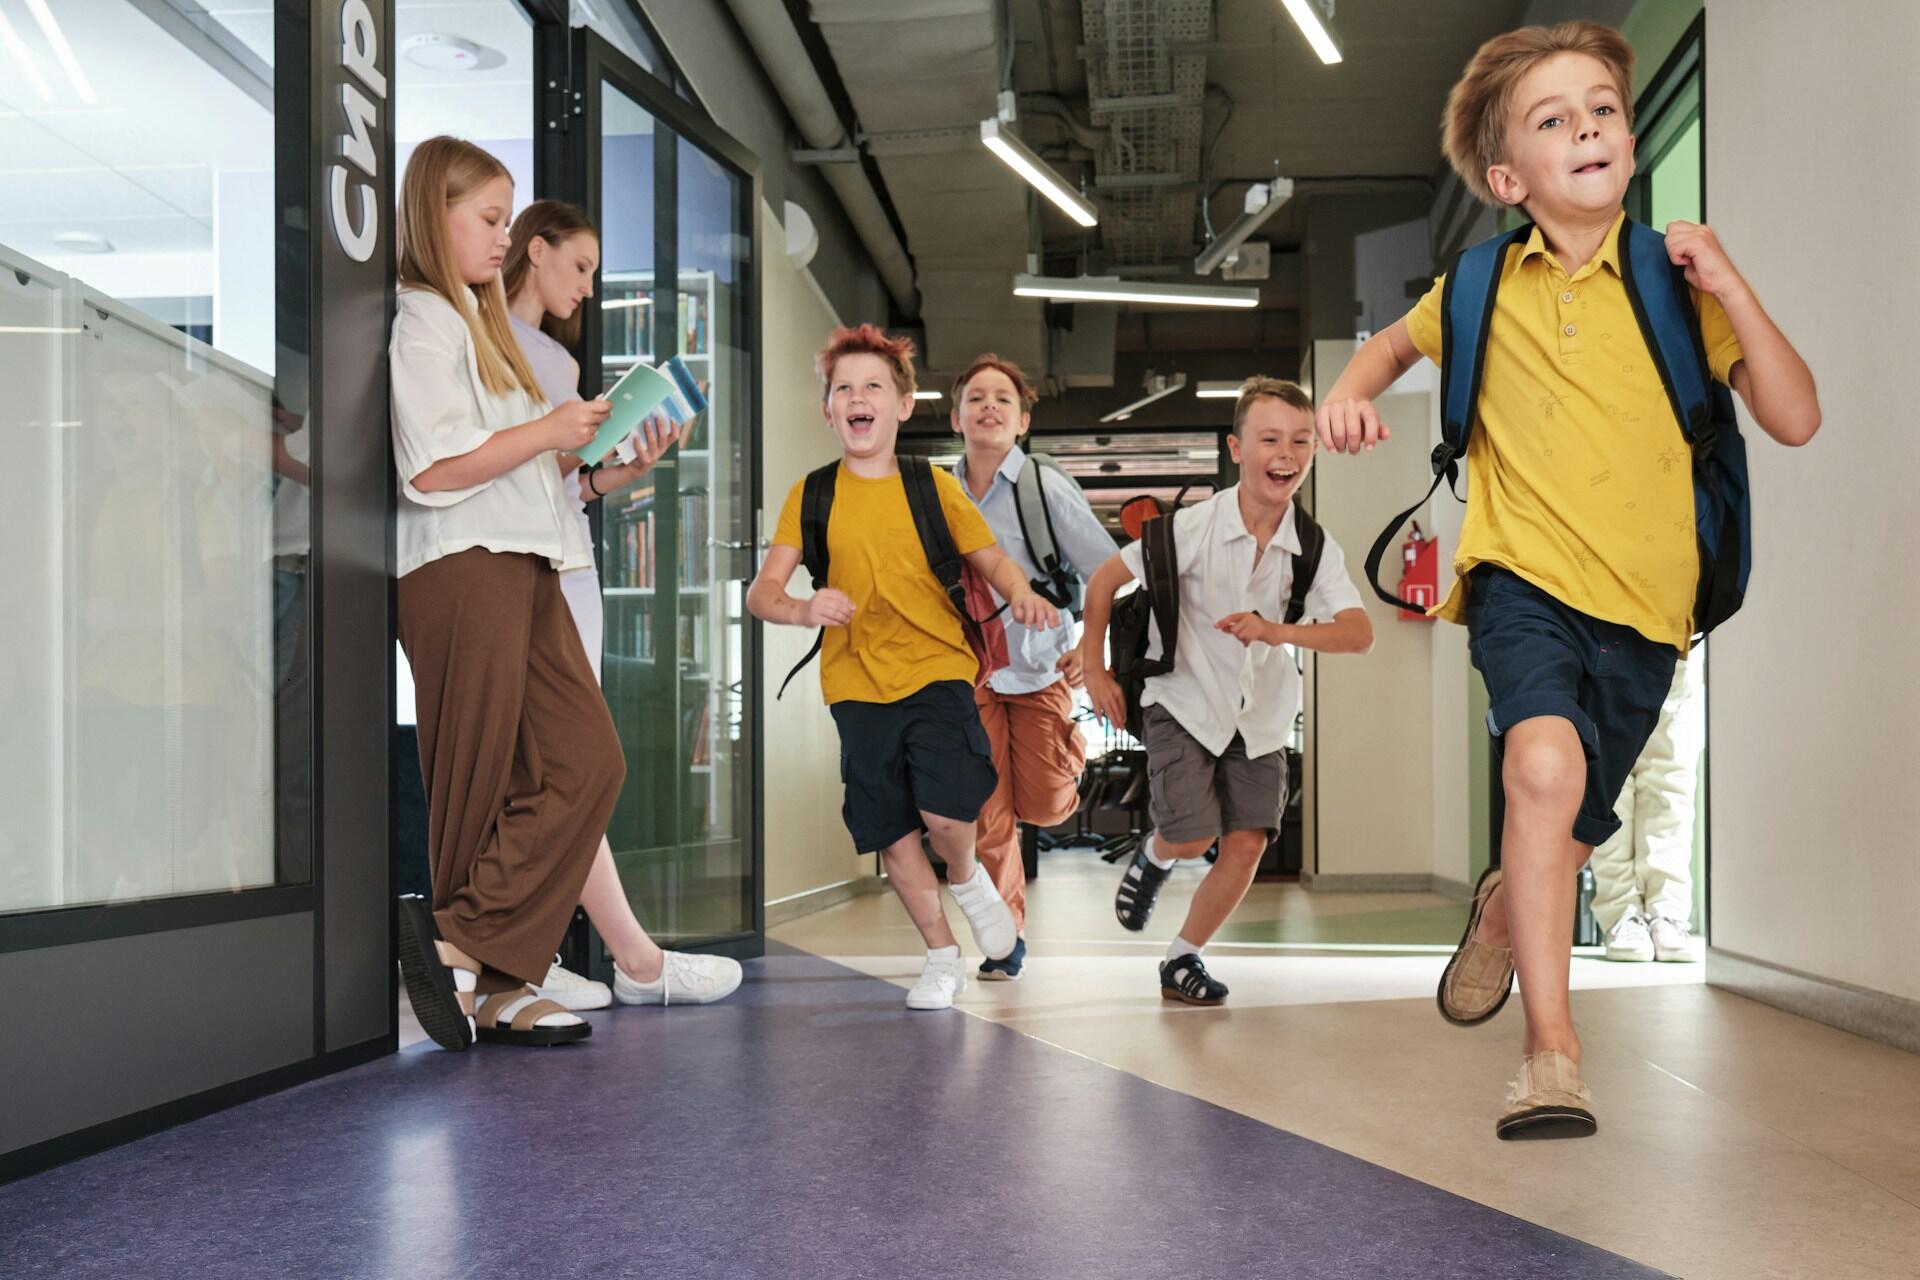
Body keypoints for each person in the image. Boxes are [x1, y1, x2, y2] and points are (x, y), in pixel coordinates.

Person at [1316, 22, 1819, 1136]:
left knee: (1568, 825)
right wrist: (1346, 390)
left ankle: (1506, 901)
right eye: (1555, 119)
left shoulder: (1670, 280)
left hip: (1651, 611)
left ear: (1630, 139)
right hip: (1520, 582)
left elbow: (1795, 415)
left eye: (1602, 108)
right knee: (1542, 768)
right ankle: (1552, 1053)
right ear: (1509, 178)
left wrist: (1729, 283)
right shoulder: (1479, 281)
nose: (1588, 126)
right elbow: (1390, 350)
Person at [389, 136, 627, 1051]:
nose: (502, 237)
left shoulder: (480, 328)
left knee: (584, 763)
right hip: (463, 561)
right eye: (489, 219)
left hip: (529, 558)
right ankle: (497, 981)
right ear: (432, 214)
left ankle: (468, 945)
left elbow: (518, 461)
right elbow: (438, 466)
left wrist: (584, 454)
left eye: (505, 218)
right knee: (477, 780)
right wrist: (547, 433)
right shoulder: (424, 320)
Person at [745, 324, 1059, 1011]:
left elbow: (990, 559)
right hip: (854, 685)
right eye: (843, 389)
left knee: (947, 820)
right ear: (829, 410)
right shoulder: (812, 494)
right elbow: (762, 593)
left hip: (938, 670)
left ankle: (971, 879)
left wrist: (1024, 594)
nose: (858, 398)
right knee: (889, 830)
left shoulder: (933, 487)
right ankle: (941, 956)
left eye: (873, 387)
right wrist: (804, 610)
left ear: (903, 405)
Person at [501, 199, 743, 1008]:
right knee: (569, 767)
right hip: (542, 569)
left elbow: (559, 482)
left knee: (556, 768)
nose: (589, 288)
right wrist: (577, 445)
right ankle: (631, 960)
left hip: (561, 551)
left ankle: (542, 957)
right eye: (580, 266)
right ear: (534, 251)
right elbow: (515, 467)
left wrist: (614, 471)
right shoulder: (512, 351)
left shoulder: (537, 354)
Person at [1081, 378, 1372, 1006]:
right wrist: (1095, 669)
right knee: (1191, 835)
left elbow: (1358, 633)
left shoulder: (1314, 548)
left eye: (1301, 440)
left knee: (1246, 845)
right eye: (1270, 438)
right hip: (1183, 700)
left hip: (1262, 716)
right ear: (1238, 449)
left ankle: (1181, 958)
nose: (1286, 452)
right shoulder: (1192, 530)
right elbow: (1104, 580)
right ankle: (1156, 856)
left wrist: (1276, 630)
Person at [948, 353, 1118, 980]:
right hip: (972, 677)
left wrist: (1090, 648)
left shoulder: (1043, 487)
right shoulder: (942, 494)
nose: (988, 406)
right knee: (987, 817)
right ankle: (1005, 938)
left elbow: (1111, 571)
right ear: (956, 416)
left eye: (1002, 399)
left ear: (1021, 421)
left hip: (1044, 670)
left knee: (1044, 805)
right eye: (976, 398)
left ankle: (1063, 757)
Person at [1591, 655, 1705, 963]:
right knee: (1610, 777)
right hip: (1605, 624)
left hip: (1677, 626)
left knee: (1672, 775)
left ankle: (1667, 912)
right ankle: (1621, 911)